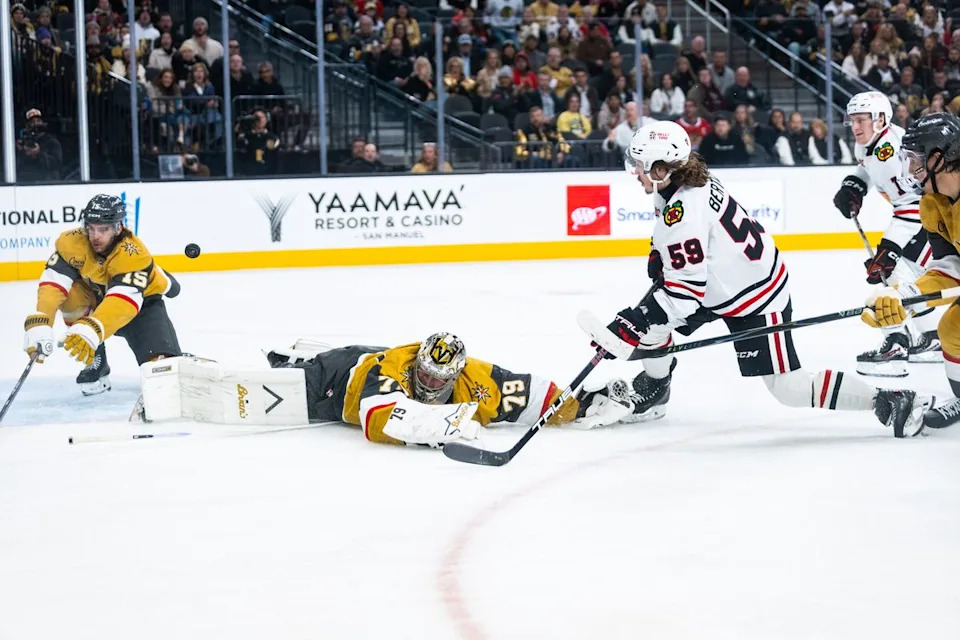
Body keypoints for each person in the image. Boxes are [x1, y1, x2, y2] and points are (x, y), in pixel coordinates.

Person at [583, 121, 932, 437]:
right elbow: (689, 259)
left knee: (788, 388)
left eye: (640, 166)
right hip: (719, 279)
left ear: (661, 168)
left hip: (757, 296)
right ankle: (656, 389)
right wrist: (658, 263)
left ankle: (888, 400)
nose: (634, 173)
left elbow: (684, 294)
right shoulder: (686, 178)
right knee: (654, 322)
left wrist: (634, 324)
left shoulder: (683, 212)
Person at [138, 332, 640, 444]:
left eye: (438, 381)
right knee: (271, 390)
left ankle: (298, 350)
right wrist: (443, 422)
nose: (429, 383)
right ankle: (184, 372)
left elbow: (532, 393)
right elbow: (378, 421)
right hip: (340, 383)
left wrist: (584, 403)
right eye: (424, 375)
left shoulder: (478, 379)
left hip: (357, 366)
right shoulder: (396, 368)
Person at [22, 195, 182, 396]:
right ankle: (96, 361)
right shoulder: (73, 242)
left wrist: (92, 328)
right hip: (98, 294)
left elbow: (122, 302)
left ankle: (160, 280)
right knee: (72, 295)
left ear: (118, 228)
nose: (95, 236)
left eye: (103, 229)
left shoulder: (133, 253)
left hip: (141, 303)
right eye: (91, 228)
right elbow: (53, 283)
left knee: (161, 372)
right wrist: (42, 319)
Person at [832, 92, 942, 376]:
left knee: (894, 275)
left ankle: (898, 341)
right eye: (852, 120)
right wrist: (854, 185)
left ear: (880, 119)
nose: (855, 127)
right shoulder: (872, 142)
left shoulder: (893, 154)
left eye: (861, 120)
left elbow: (912, 205)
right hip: (923, 215)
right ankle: (930, 340)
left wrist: (889, 248)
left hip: (932, 216)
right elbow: (865, 165)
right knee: (904, 277)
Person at [869, 113, 960, 428]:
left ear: (939, 158)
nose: (908, 169)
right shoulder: (932, 204)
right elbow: (951, 264)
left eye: (915, 159)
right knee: (952, 329)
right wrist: (903, 296)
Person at [16, 108, 62, 183]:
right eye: (32, 122)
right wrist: (21, 151)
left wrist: (39, 153)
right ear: (27, 125)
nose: (35, 124)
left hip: (47, 183)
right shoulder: (24, 141)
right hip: (26, 183)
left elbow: (57, 164)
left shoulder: (51, 141)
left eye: (38, 121)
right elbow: (17, 167)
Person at [236, 108, 280, 175]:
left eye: (262, 117)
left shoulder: (272, 137)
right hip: (248, 174)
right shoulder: (245, 136)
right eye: (256, 118)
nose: (259, 120)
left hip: (268, 174)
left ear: (266, 119)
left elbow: (272, 153)